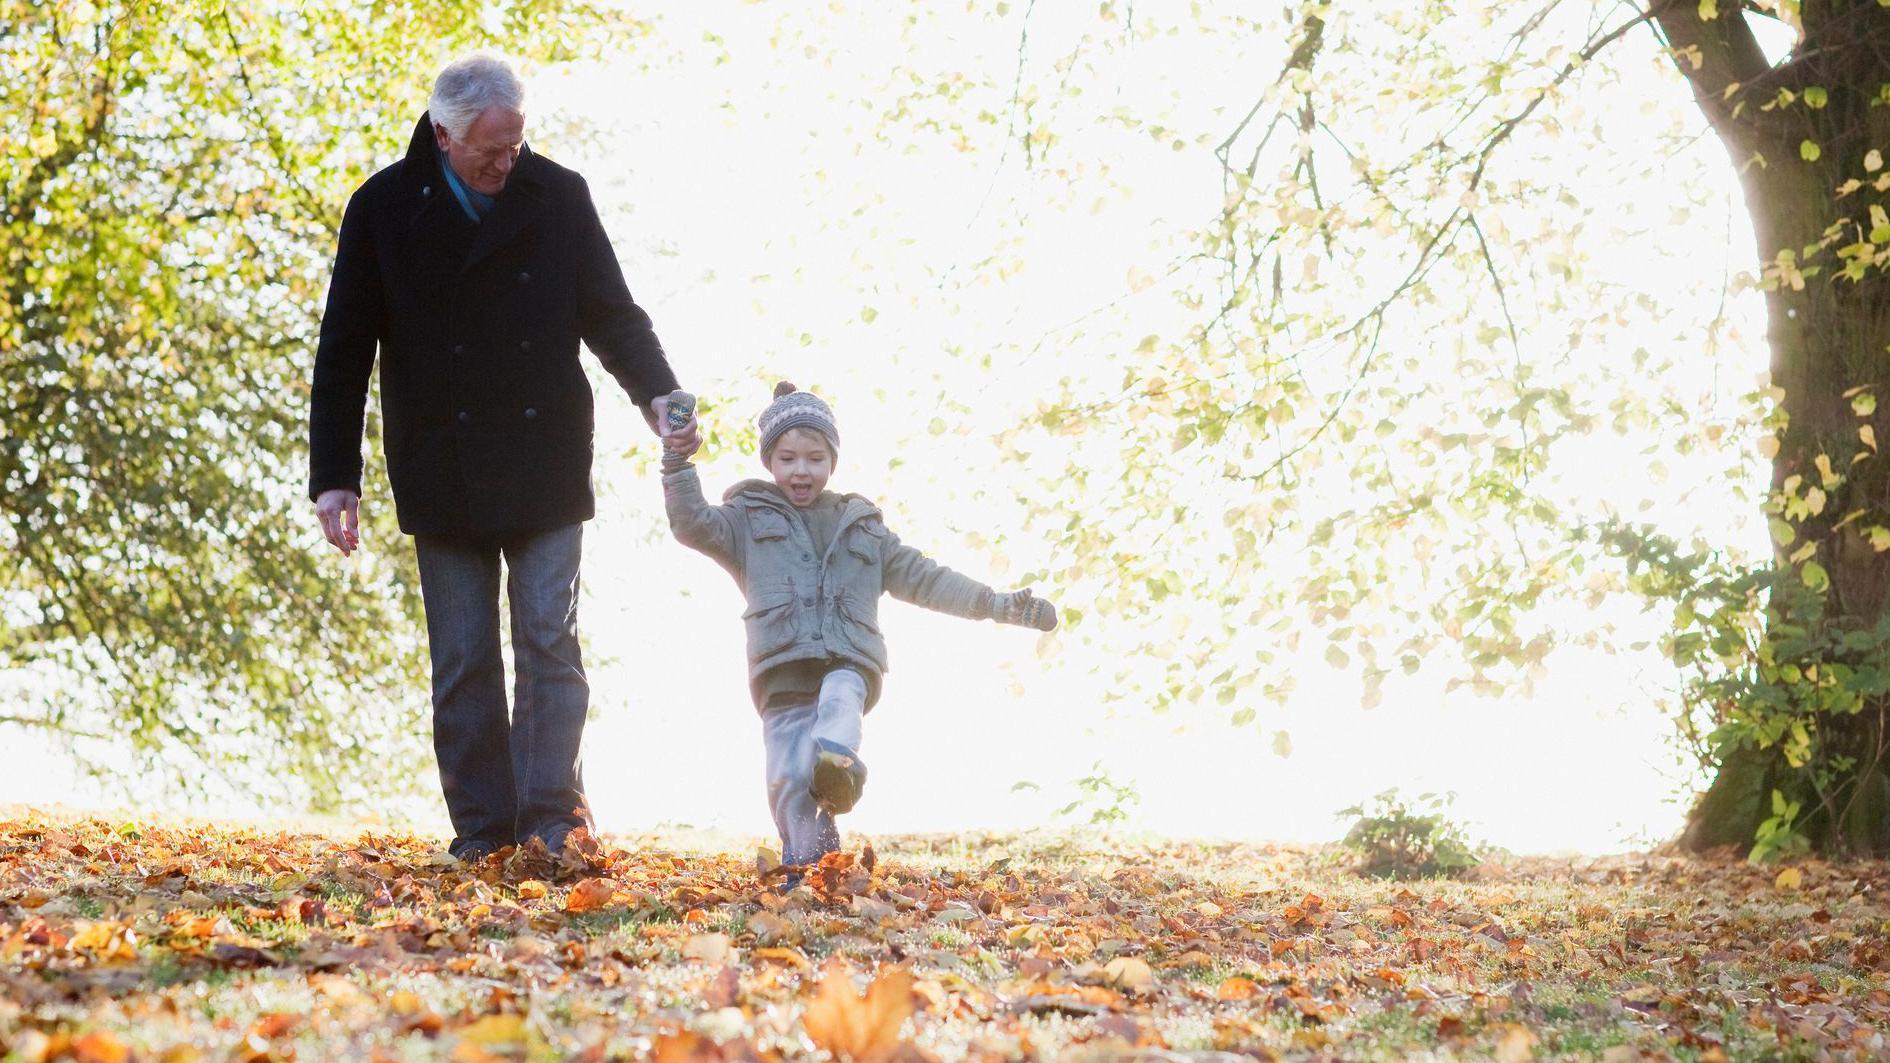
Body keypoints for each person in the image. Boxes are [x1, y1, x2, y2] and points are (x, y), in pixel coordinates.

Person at [306, 54, 698, 860]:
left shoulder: (558, 195)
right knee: (462, 657)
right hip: (438, 457)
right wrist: (334, 477)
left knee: (550, 638)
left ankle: (552, 822)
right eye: (491, 147)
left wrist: (658, 395)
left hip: (546, 450)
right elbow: (344, 348)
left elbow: (612, 315)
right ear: (444, 135)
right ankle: (484, 832)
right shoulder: (381, 208)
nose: (506, 160)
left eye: (516, 142)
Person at [660, 383, 1057, 868]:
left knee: (841, 696)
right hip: (782, 668)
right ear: (769, 462)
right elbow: (691, 524)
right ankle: (812, 869)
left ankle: (838, 761)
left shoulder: (862, 525)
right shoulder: (745, 519)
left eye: (814, 458)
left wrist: (996, 604)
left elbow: (927, 579)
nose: (801, 470)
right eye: (787, 459)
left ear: (833, 461)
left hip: (847, 659)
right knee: (788, 777)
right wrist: (676, 461)